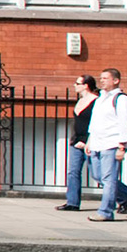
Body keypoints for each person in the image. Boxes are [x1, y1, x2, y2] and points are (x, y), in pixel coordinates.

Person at [86, 66, 127, 221]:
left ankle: (105, 212)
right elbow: (95, 123)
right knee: (98, 176)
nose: (102, 81)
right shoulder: (100, 99)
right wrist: (89, 140)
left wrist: (122, 146)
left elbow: (125, 123)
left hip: (112, 144)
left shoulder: (121, 100)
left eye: (105, 78)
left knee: (108, 179)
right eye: (101, 78)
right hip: (97, 144)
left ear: (116, 80)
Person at [55, 74, 98, 211]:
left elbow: (96, 124)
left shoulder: (97, 102)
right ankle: (72, 202)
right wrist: (75, 139)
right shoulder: (80, 101)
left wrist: (86, 141)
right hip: (76, 142)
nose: (74, 85)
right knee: (73, 172)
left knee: (98, 175)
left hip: (90, 142)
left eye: (77, 83)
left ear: (86, 85)